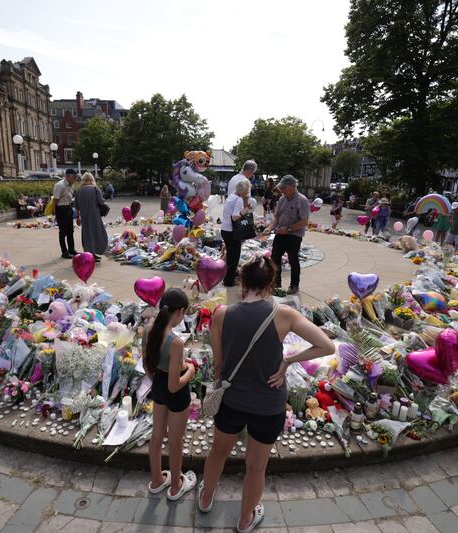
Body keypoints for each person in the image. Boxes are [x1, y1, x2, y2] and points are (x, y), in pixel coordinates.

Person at [198, 255, 335, 532]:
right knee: (256, 467)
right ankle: (245, 518)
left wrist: (218, 383)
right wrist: (287, 361)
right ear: (271, 283)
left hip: (231, 400)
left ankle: (205, 497)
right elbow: (327, 346)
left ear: (242, 280)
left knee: (217, 453)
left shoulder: (222, 314)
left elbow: (218, 364)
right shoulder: (284, 315)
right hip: (268, 405)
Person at [143, 288, 197, 500]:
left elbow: (147, 365)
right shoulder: (176, 342)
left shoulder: (149, 330)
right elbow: (175, 386)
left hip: (157, 384)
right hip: (176, 393)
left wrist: (158, 379)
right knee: (175, 441)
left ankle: (157, 480)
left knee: (157, 436)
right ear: (181, 312)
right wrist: (190, 371)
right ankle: (176, 485)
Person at [264, 175, 309, 295]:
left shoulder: (302, 200)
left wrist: (288, 228)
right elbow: (277, 218)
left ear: (293, 186)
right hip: (280, 233)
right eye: (281, 187)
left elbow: (304, 221)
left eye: (284, 187)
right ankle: (276, 284)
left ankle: (294, 285)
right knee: (274, 258)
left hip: (294, 235)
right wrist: (269, 228)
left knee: (293, 260)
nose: (282, 190)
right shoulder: (281, 200)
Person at [221, 179, 256, 287]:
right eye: (248, 190)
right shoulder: (239, 199)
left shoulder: (231, 196)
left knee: (230, 256)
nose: (248, 192)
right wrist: (245, 211)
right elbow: (235, 217)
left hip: (225, 230)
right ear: (244, 190)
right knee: (234, 257)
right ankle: (229, 281)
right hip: (232, 232)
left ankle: (228, 277)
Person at [74, 172, 108, 263]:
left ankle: (89, 254)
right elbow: (101, 202)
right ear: (92, 179)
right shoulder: (95, 189)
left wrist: (77, 217)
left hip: (84, 216)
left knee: (87, 234)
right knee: (98, 233)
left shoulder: (79, 190)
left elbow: (76, 206)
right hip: (94, 215)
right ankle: (96, 251)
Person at [52, 169, 78, 259]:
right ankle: (64, 251)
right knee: (63, 232)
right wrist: (54, 212)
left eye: (76, 177)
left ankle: (71, 249)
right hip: (61, 209)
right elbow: (55, 199)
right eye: (74, 177)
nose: (75, 179)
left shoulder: (72, 185)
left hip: (68, 208)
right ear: (68, 176)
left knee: (71, 231)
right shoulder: (60, 185)